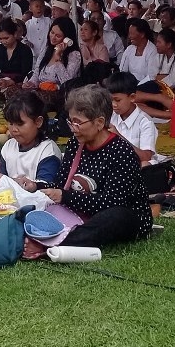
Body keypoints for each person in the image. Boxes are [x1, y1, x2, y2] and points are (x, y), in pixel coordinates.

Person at [39, 85, 154, 248]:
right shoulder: (75, 143)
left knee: (116, 216)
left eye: (78, 123)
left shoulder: (121, 152)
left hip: (120, 215)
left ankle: (53, 242)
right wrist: (34, 185)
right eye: (70, 121)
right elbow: (60, 184)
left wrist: (66, 197)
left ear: (100, 122)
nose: (73, 129)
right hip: (82, 211)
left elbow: (111, 202)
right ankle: (52, 237)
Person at [133, 28, 175, 120]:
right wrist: (163, 77)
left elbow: (171, 83)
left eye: (159, 42)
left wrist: (160, 77)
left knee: (142, 93)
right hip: (163, 88)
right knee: (138, 99)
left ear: (169, 45)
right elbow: (153, 76)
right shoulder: (160, 55)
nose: (156, 45)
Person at [104, 73, 159, 164]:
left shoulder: (145, 122)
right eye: (111, 100)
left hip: (137, 165)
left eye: (118, 100)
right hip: (116, 164)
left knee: (145, 165)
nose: (114, 105)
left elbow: (146, 157)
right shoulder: (111, 116)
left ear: (132, 97)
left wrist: (118, 138)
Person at [26, 18, 81, 108]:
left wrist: (57, 58)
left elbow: (67, 83)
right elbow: (36, 74)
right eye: (52, 33)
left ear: (66, 39)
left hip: (59, 96)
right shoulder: (47, 49)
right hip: (40, 91)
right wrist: (30, 83)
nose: (53, 37)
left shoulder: (74, 55)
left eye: (58, 36)